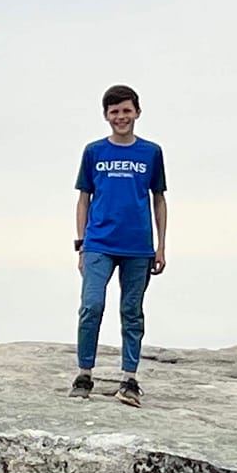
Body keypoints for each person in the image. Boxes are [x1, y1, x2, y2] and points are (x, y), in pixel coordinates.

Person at [70, 84, 168, 407]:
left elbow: (159, 199)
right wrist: (81, 243)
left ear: (137, 112)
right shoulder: (94, 152)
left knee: (131, 311)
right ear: (105, 115)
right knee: (91, 306)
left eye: (126, 110)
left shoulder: (151, 152)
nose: (121, 117)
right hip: (98, 243)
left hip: (138, 246)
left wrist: (161, 246)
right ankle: (85, 373)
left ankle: (129, 379)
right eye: (114, 111)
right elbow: (83, 198)